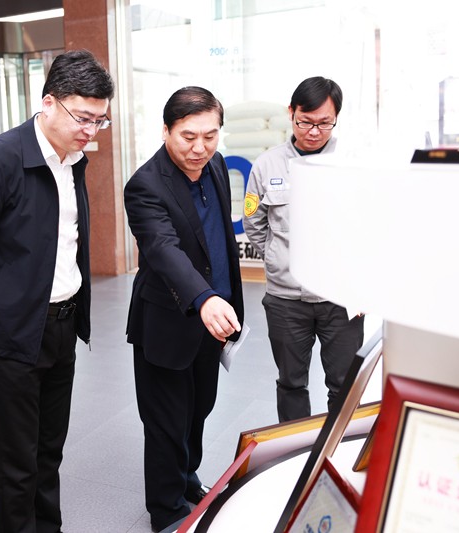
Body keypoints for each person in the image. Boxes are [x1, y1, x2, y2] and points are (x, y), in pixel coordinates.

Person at [0, 49, 114, 533]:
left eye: (99, 121)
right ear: (48, 103)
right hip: (11, 335)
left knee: (49, 452)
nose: (91, 130)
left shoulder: (73, 160)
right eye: (83, 117)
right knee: (15, 463)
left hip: (62, 325)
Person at [124, 86, 244, 532]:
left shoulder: (216, 166)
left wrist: (223, 298)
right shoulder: (145, 185)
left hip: (212, 322)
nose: (200, 148)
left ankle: (187, 479)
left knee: (199, 409)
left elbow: (219, 238)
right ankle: (166, 510)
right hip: (169, 320)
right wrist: (204, 297)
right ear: (166, 131)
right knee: (166, 421)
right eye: (188, 137)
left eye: (210, 136)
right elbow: (163, 248)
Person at [243, 76, 365, 423]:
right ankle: (296, 449)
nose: (314, 131)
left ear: (336, 118)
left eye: (324, 123)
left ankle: (340, 448)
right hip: (286, 300)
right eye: (305, 121)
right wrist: (279, 258)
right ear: (291, 113)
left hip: (340, 298)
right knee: (291, 384)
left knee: (344, 385)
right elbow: (254, 222)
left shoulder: (352, 163)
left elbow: (370, 226)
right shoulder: (267, 164)